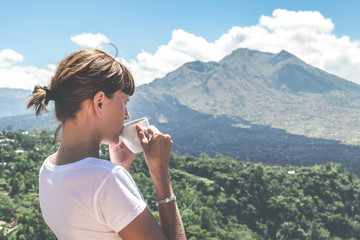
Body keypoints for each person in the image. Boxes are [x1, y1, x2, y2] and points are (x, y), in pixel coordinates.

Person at [27, 48, 186, 240]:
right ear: (100, 102)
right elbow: (102, 192)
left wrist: (121, 167)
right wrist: (161, 173)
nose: (127, 115)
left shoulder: (47, 170)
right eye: (124, 102)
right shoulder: (107, 180)